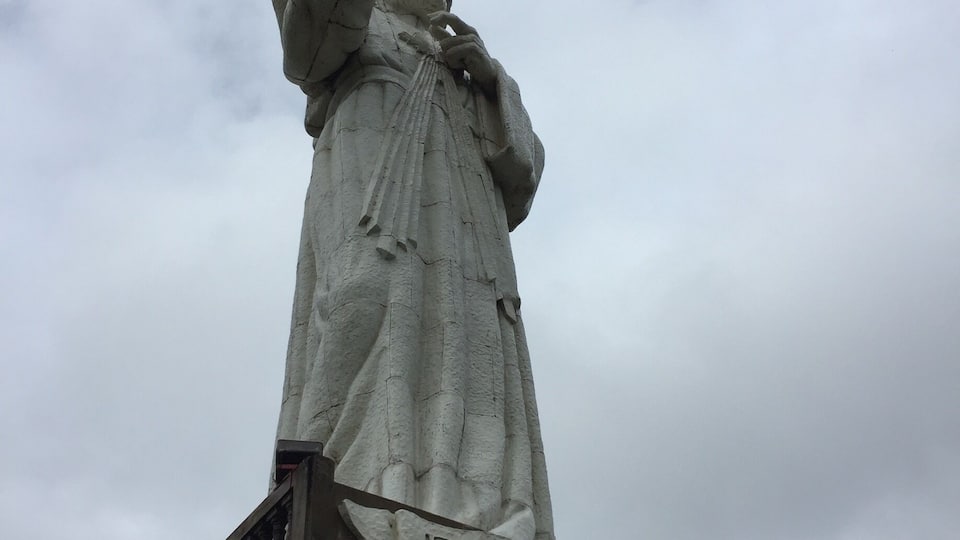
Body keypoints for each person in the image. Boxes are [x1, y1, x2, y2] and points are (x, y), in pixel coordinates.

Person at [269, 1, 554, 538]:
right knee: (360, 296)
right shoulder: (367, 23)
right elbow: (308, 51)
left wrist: (490, 81)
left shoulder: (461, 61)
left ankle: (465, 498)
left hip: (467, 222)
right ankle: (350, 474)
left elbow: (524, 173)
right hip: (370, 172)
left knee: (470, 332)